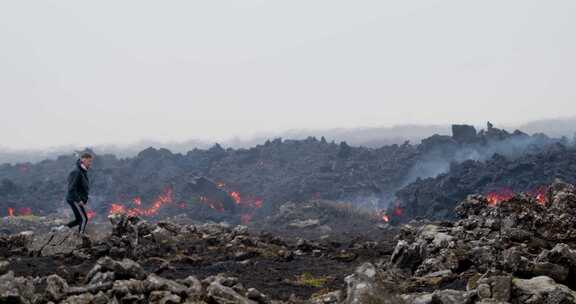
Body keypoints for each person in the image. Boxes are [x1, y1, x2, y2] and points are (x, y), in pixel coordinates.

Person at [54, 153, 93, 235]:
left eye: (90, 161)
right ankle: (80, 237)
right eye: (89, 161)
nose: (90, 163)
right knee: (84, 219)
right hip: (75, 199)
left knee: (78, 220)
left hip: (77, 199)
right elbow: (71, 188)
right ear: (83, 160)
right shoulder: (76, 172)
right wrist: (79, 200)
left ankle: (58, 230)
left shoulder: (83, 171)